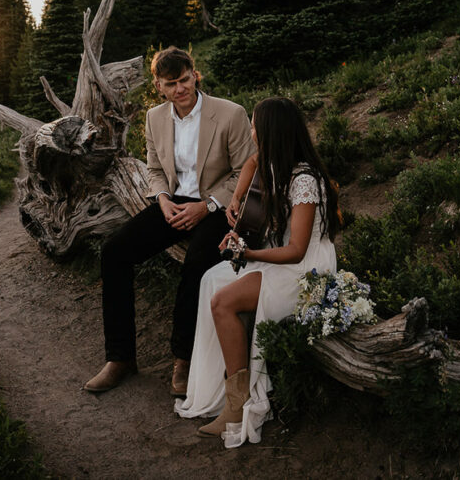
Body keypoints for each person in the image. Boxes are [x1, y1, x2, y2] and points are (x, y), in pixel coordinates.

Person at [84, 46, 255, 396]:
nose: (181, 89)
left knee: (196, 263)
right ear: (158, 86)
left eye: (185, 79)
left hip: (220, 206)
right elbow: (155, 169)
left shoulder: (230, 113)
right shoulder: (154, 118)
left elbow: (244, 174)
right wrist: (161, 199)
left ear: (195, 74)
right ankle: (120, 358)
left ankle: (183, 358)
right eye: (171, 83)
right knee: (115, 252)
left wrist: (207, 206)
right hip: (173, 202)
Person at [174, 96, 341, 448]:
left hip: (304, 269)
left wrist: (248, 252)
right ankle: (221, 389)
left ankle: (240, 405)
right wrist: (236, 202)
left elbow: (296, 250)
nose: (251, 133)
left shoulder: (304, 182)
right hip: (283, 258)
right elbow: (251, 162)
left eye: (255, 127)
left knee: (223, 300)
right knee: (211, 278)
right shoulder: (276, 165)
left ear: (272, 133)